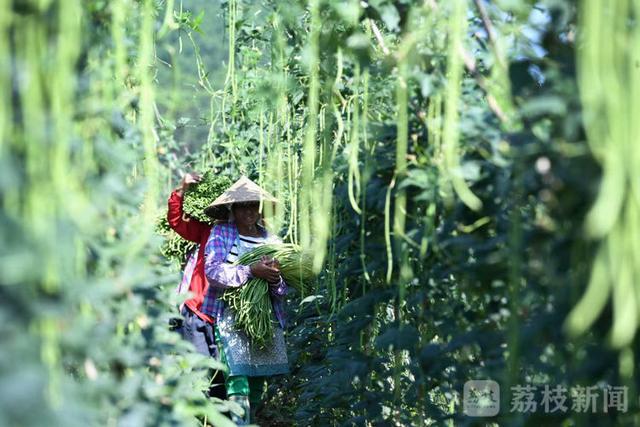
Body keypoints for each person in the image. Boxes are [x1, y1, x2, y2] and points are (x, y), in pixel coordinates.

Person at [200, 176, 289, 425]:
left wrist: (273, 280)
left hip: (265, 319)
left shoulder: (272, 241)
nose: (249, 211)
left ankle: (248, 421)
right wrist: (251, 271)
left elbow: (283, 290)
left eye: (253, 205)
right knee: (237, 376)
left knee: (258, 379)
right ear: (232, 209)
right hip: (231, 315)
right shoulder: (222, 232)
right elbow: (213, 271)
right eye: (242, 206)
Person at [166, 172, 226, 399]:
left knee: (224, 378)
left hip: (226, 318)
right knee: (201, 375)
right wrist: (182, 190)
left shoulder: (251, 236)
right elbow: (176, 221)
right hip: (197, 310)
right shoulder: (206, 231)